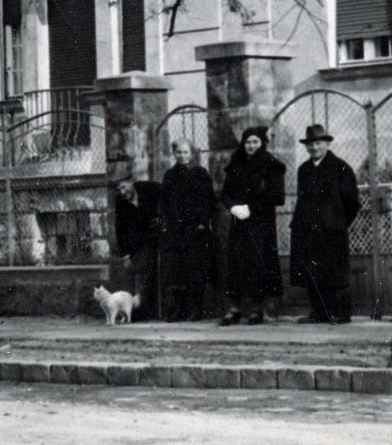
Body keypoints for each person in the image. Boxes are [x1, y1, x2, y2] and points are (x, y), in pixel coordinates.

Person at [288, 124, 362, 325]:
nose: (314, 148)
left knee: (335, 273)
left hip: (332, 230)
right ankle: (319, 312)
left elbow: (352, 202)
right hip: (307, 230)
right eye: (310, 144)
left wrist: (337, 223)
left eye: (318, 143)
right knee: (312, 273)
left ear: (327, 144)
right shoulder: (304, 169)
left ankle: (341, 313)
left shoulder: (341, 168)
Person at [218, 125, 286, 326]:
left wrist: (251, 208)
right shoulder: (235, 163)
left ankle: (257, 309)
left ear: (262, 143)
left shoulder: (271, 165)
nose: (251, 146)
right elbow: (225, 193)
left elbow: (277, 196)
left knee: (258, 262)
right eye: (247, 142)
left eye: (255, 142)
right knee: (236, 262)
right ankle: (234, 308)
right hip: (239, 222)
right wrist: (233, 207)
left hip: (261, 223)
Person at [158, 140, 215, 321]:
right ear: (174, 154)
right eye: (178, 152)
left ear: (192, 154)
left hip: (195, 228)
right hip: (176, 229)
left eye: (185, 152)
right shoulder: (169, 175)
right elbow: (165, 202)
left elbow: (208, 200)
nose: (182, 156)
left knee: (195, 269)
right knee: (177, 270)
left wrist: (203, 223)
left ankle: (195, 309)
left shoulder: (200, 174)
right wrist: (166, 224)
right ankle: (178, 309)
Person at [112, 173, 162, 316]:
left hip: (158, 233)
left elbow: (168, 197)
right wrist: (125, 255)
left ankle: (146, 309)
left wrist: (161, 217)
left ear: (131, 182)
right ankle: (139, 310)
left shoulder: (149, 188)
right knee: (140, 270)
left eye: (123, 187)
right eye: (118, 189)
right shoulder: (120, 200)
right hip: (139, 239)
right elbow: (119, 227)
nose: (122, 192)